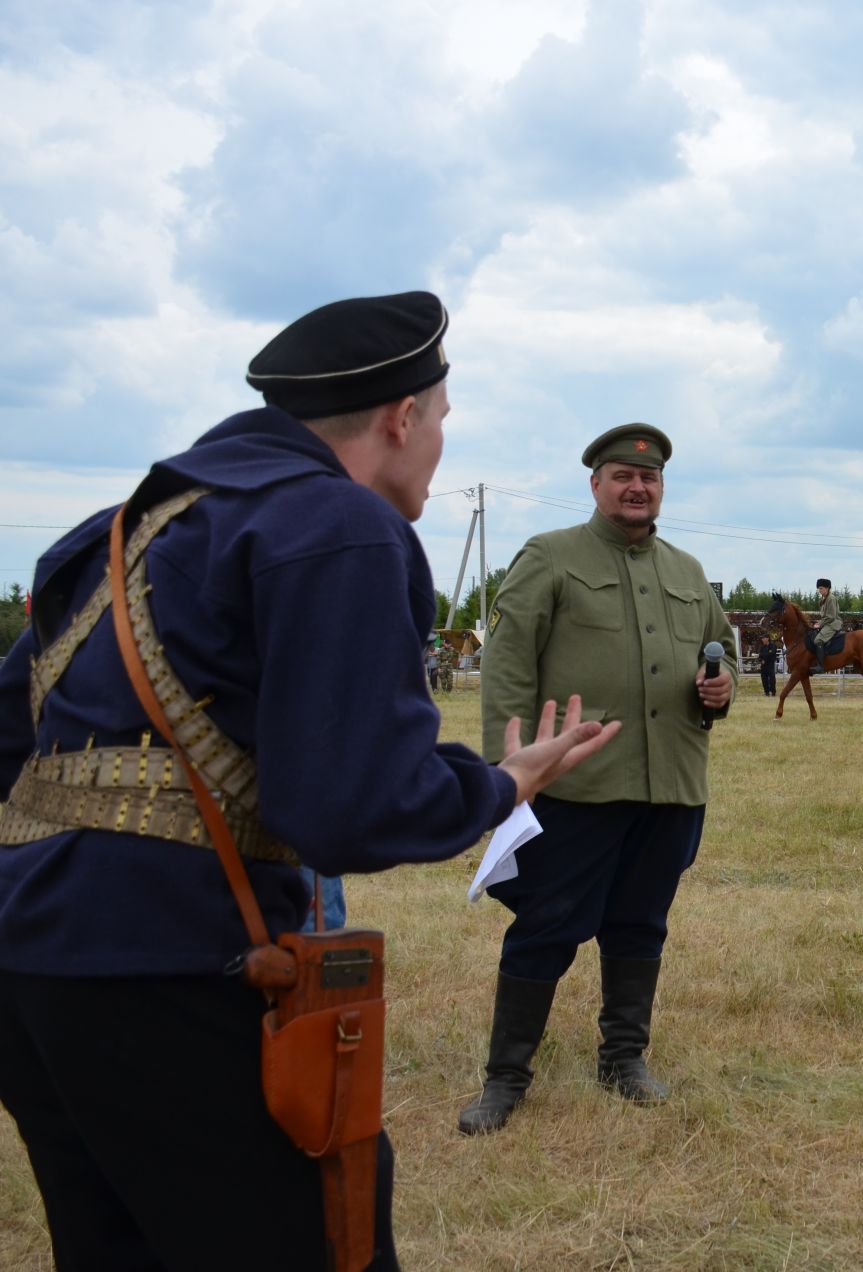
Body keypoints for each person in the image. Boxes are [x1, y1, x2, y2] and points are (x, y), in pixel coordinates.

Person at [0, 292, 613, 1271]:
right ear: (401, 418)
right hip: (176, 970)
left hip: (32, 973)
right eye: (443, 422)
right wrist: (498, 786)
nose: (439, 447)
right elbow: (347, 809)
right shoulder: (339, 526)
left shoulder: (113, 536)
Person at [463, 422, 737, 1135]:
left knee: (641, 924)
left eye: (648, 479)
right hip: (575, 782)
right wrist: (509, 767)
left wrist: (723, 687)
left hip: (671, 782)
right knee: (547, 925)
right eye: (622, 476)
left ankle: (623, 1060)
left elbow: (724, 654)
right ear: (596, 485)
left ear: (661, 488)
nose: (636, 487)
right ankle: (505, 1078)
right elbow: (509, 661)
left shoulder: (688, 572)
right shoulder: (549, 558)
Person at [809, 578, 843, 670]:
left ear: (827, 588)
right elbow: (825, 616)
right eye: (818, 589)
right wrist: (818, 622)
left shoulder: (831, 598)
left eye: (821, 588)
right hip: (828, 623)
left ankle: (821, 666)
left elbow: (831, 616)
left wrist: (820, 624)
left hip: (833, 624)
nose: (819, 591)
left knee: (818, 640)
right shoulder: (824, 598)